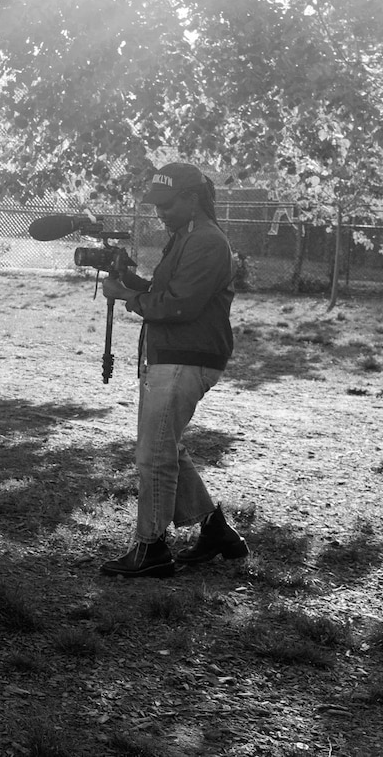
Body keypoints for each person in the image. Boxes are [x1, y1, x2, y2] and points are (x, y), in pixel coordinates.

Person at [99, 161, 247, 579]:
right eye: (156, 205)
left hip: (188, 356)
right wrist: (132, 279)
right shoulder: (185, 237)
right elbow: (165, 291)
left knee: (154, 454)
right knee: (168, 448)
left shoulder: (206, 241)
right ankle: (216, 532)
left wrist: (128, 296)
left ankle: (151, 548)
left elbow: (179, 305)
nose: (160, 212)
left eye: (167, 204)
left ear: (192, 198)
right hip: (172, 355)